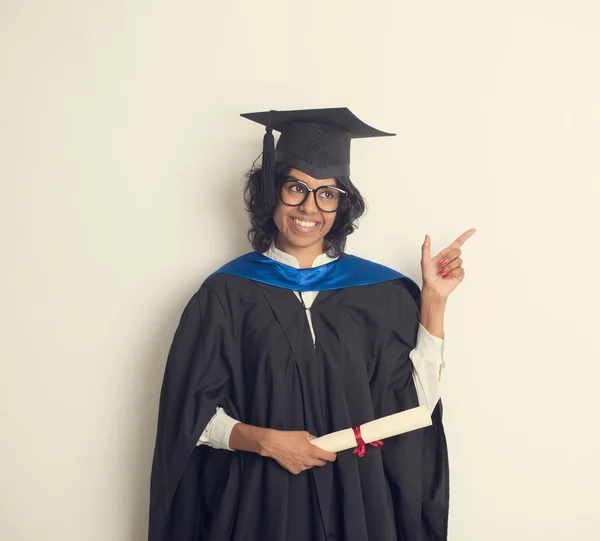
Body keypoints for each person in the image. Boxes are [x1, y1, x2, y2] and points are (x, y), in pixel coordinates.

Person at [148, 107, 475, 541]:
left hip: (357, 501)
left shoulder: (381, 293)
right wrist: (266, 442)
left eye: (327, 193)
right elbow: (186, 418)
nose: (309, 207)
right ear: (271, 193)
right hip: (260, 500)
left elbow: (417, 408)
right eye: (296, 188)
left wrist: (433, 300)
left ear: (342, 205)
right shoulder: (227, 294)